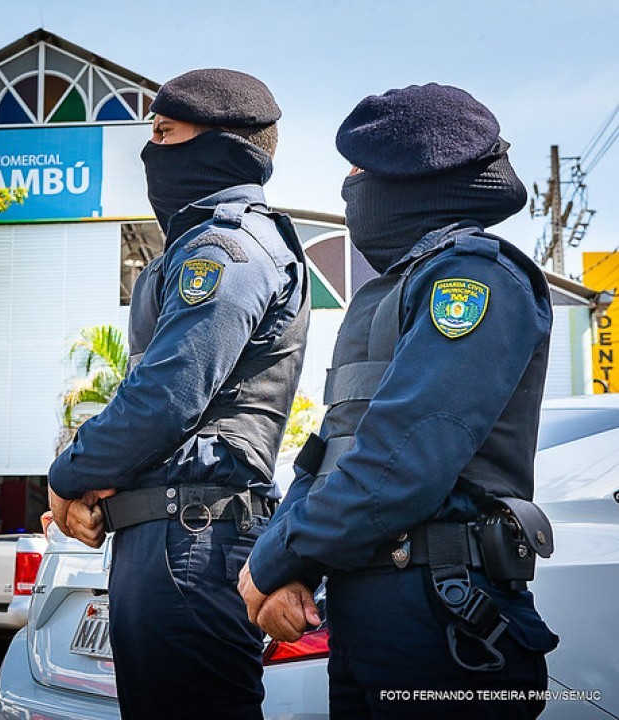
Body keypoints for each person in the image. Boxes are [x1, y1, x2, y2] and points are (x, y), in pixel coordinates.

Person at [239, 83, 559, 719]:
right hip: (371, 615)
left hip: (446, 617)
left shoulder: (473, 277)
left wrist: (282, 556)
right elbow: (330, 454)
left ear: (413, 176)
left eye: (359, 170)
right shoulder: (387, 294)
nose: (348, 186)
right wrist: (290, 564)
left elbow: (403, 457)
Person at [48, 68, 309, 719]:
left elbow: (169, 395)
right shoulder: (202, 244)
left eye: (165, 133)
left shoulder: (226, 247)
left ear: (222, 144)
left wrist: (68, 474)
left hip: (194, 540)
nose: (150, 153)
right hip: (171, 537)